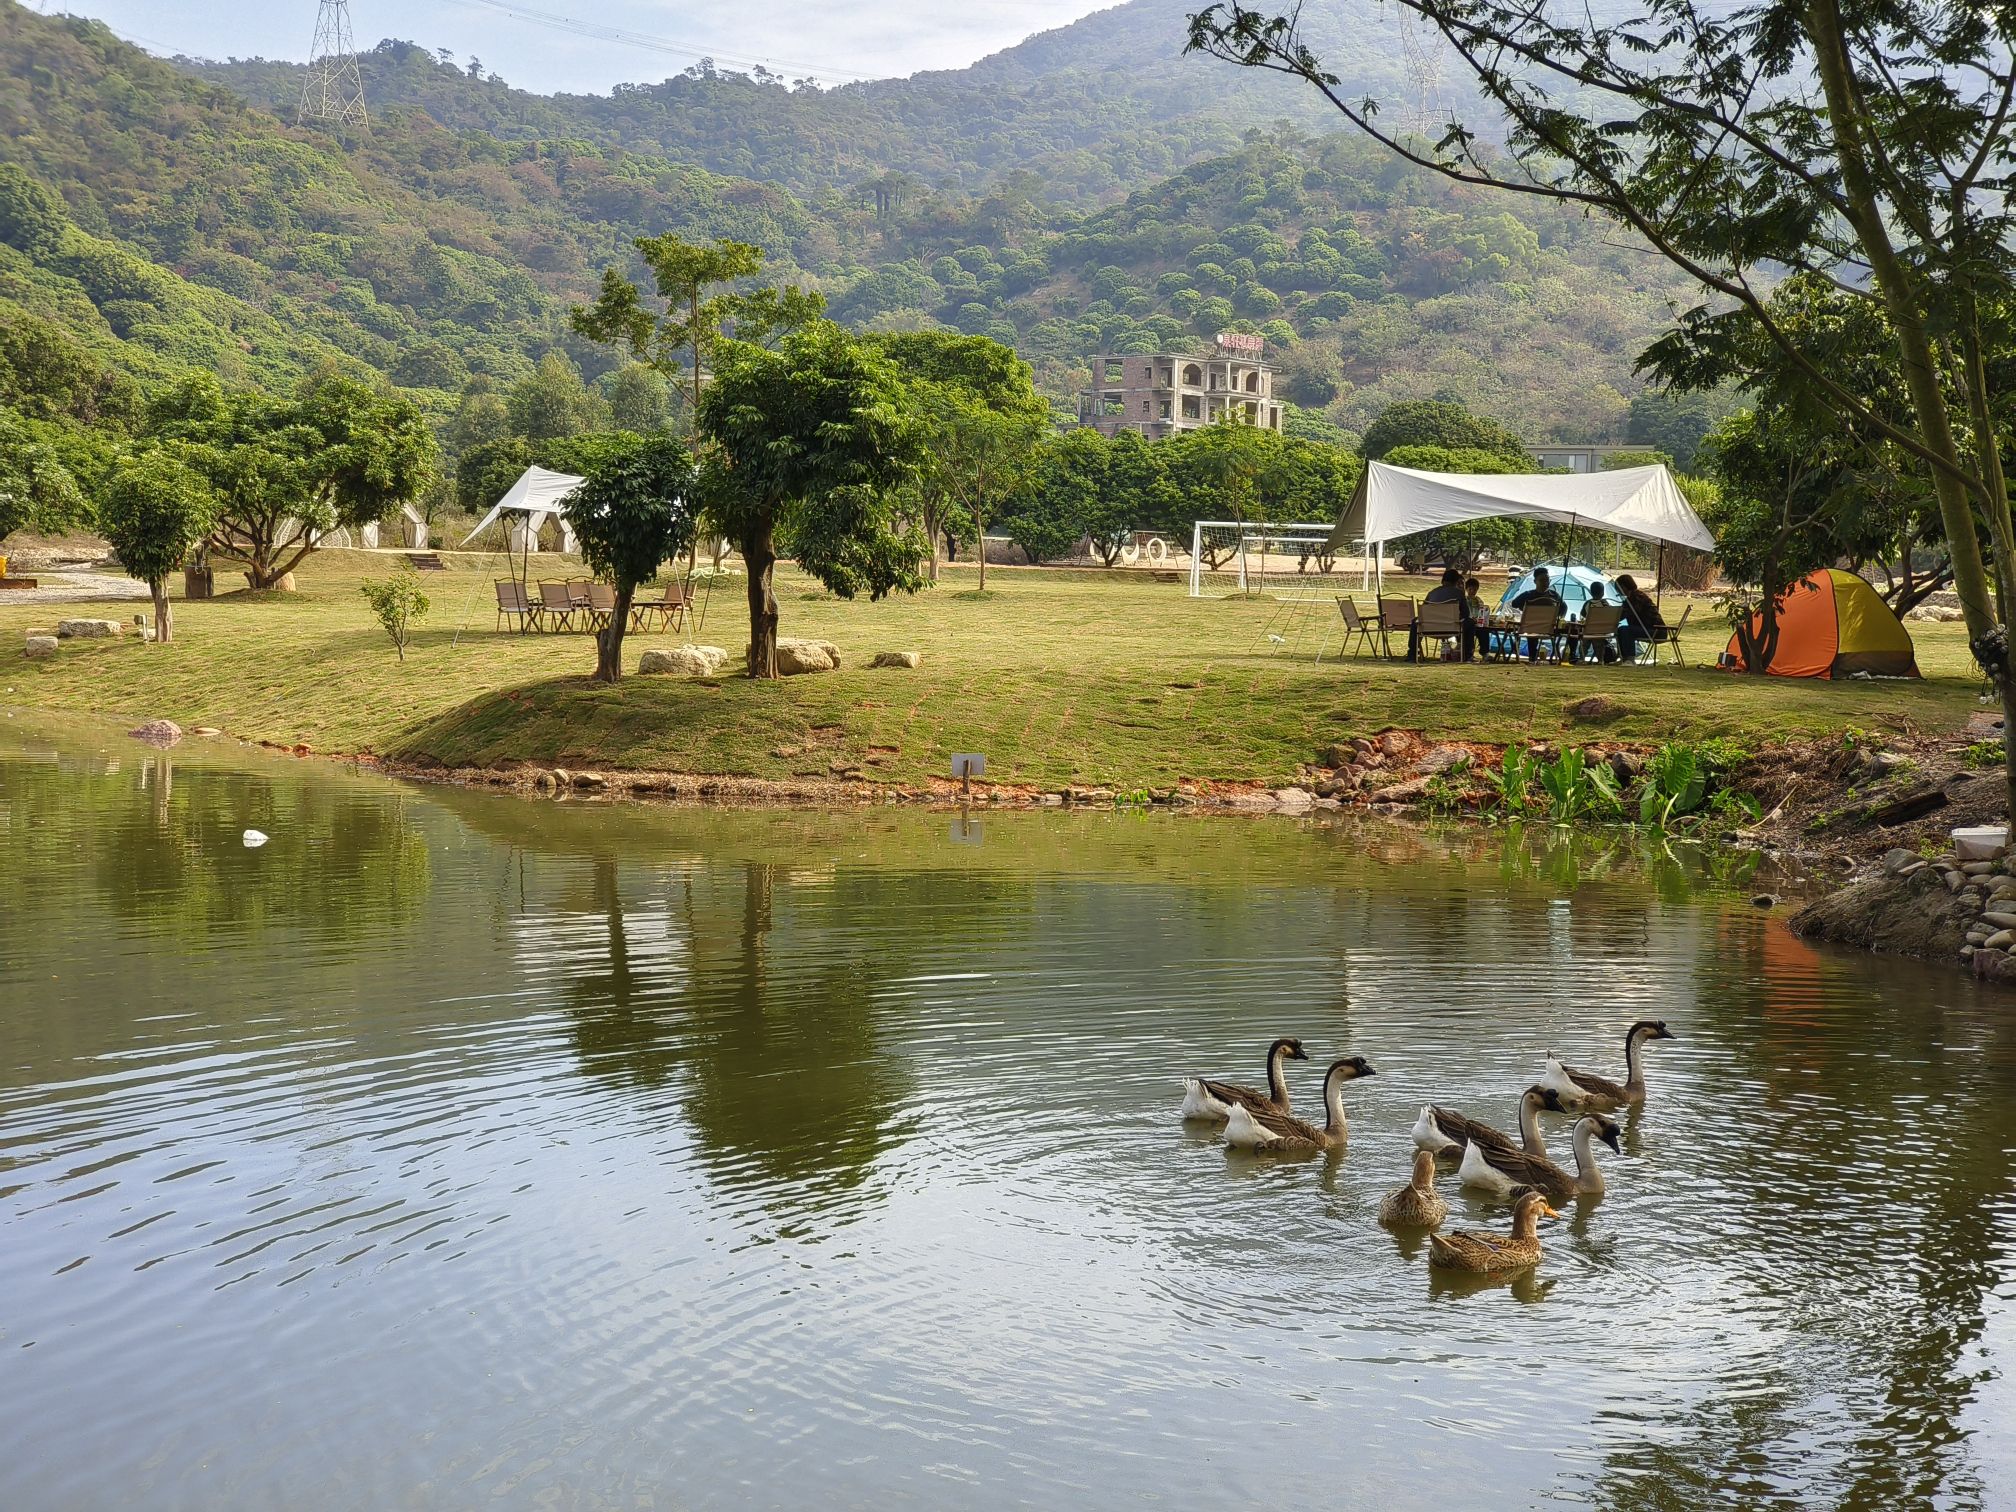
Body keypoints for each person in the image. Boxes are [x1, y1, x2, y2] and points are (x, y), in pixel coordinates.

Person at [1410, 567, 1468, 662]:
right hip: (1451, 629)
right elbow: (1466, 614)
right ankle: (1466, 654)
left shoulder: (1432, 593)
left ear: (1442, 580)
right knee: (1468, 623)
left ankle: (1412, 653)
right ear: (1456, 581)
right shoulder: (1459, 594)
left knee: (1415, 621)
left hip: (1429, 629)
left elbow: (1423, 613)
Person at [1510, 566, 1565, 661]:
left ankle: (1532, 656)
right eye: (1543, 580)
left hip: (1532, 628)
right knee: (1533, 628)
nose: (1546, 583)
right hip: (1549, 629)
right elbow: (1564, 608)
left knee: (1531, 628)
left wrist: (1523, 608)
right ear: (1535, 581)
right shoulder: (1554, 596)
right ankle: (1556, 655)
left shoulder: (1528, 595)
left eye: (1547, 580)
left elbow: (1514, 604)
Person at [1614, 573, 1666, 664]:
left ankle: (1629, 659)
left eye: (1618, 589)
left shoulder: (1637, 598)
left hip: (1656, 631)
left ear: (1623, 587)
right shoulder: (1633, 597)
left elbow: (1625, 614)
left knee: (1625, 630)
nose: (1617, 592)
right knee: (1621, 630)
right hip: (1649, 629)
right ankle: (1624, 658)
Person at [1579, 581, 1619, 663]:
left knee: (1584, 644)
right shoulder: (1605, 604)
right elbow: (1610, 615)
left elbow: (1582, 615)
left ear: (1590, 592)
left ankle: (1581, 658)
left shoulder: (1587, 603)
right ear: (1603, 593)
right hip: (1602, 631)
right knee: (1599, 645)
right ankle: (1601, 659)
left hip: (1588, 631)